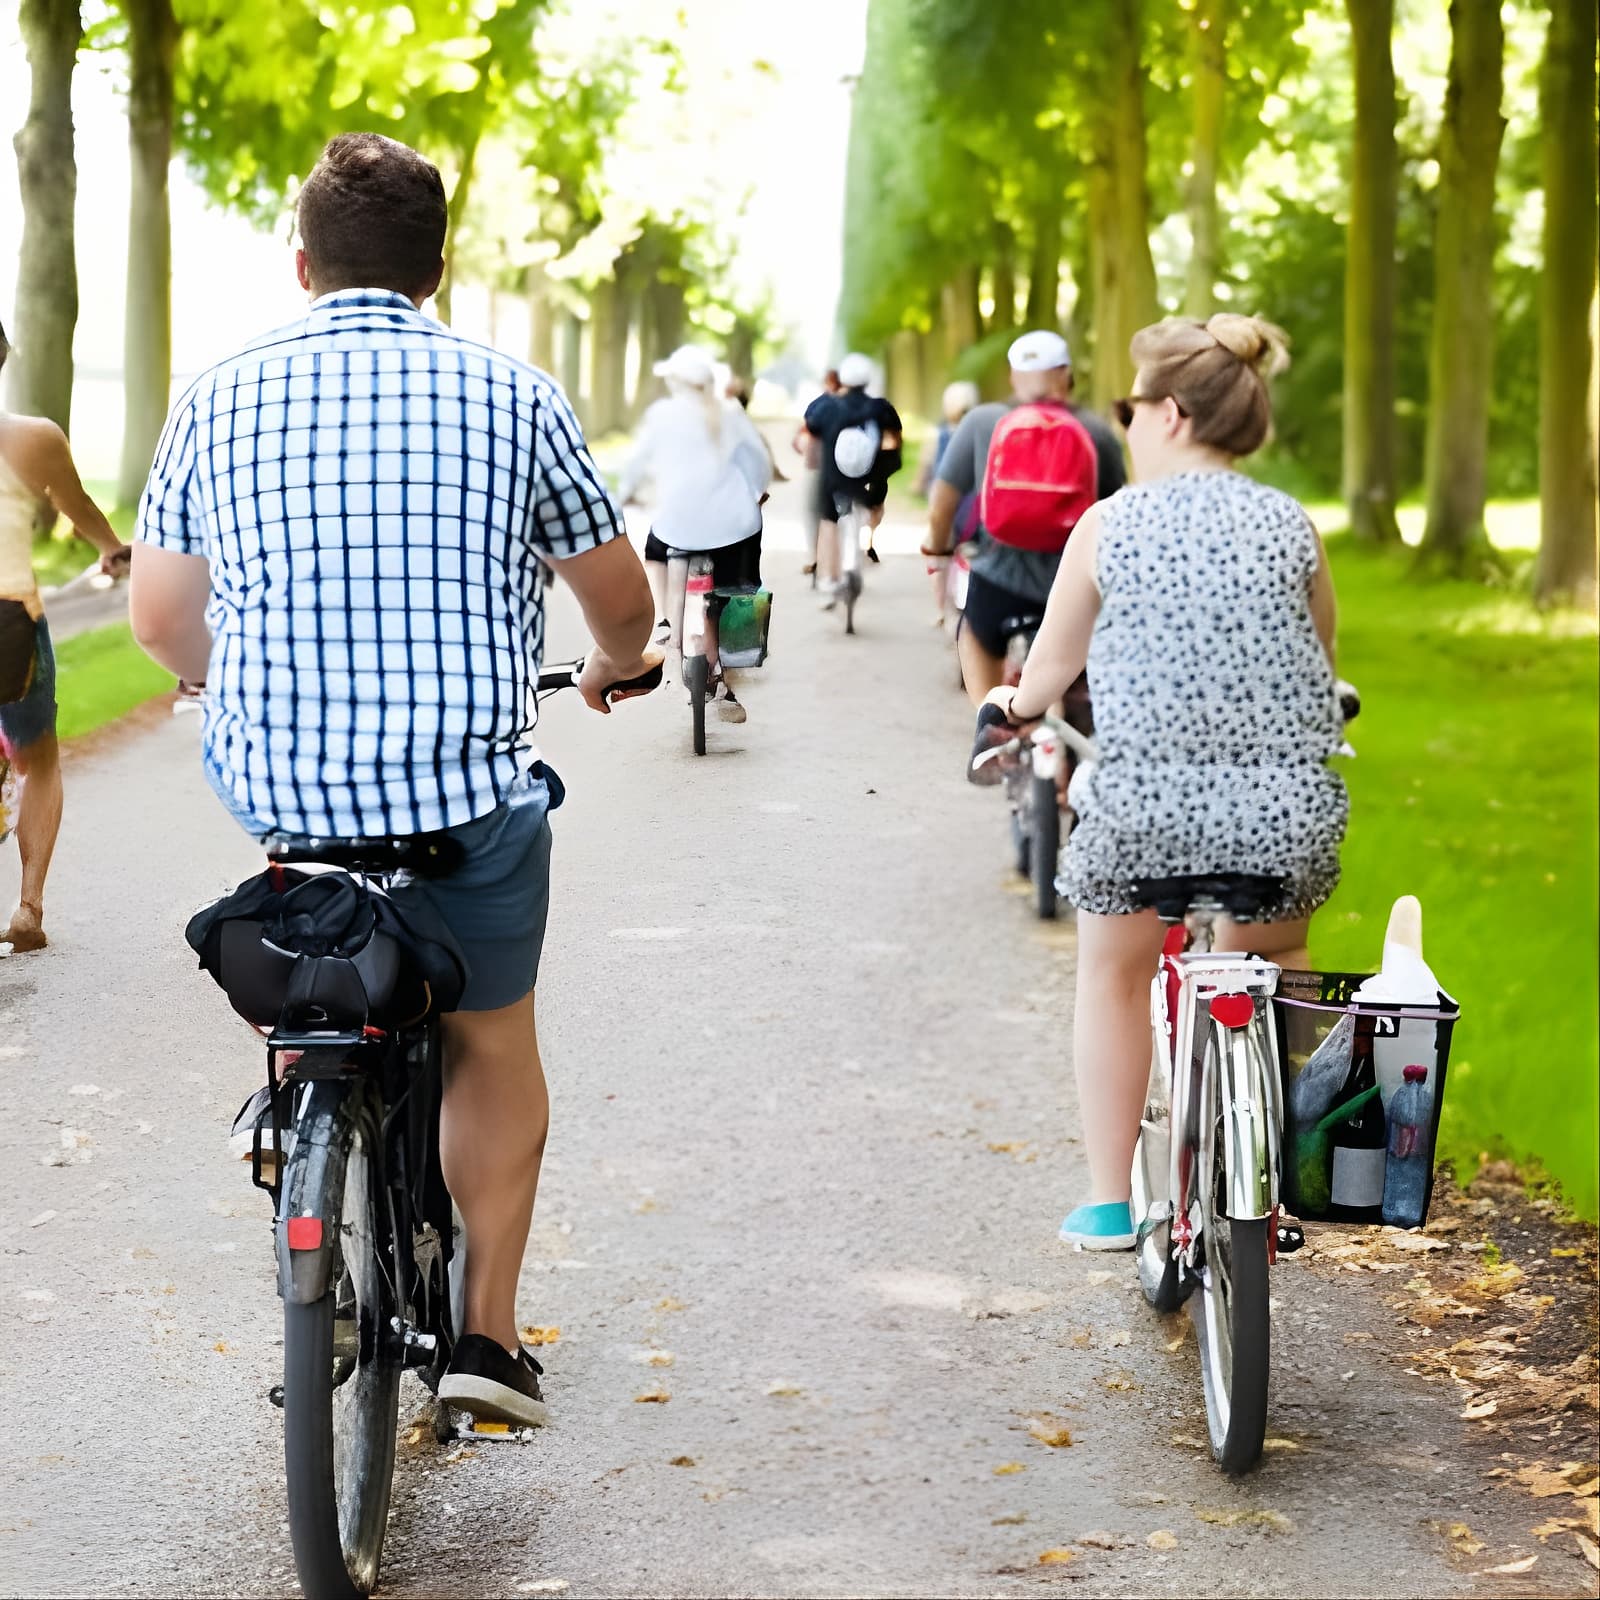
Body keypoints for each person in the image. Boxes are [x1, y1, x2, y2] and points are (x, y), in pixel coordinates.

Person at [128, 133, 660, 1426]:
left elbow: (157, 618)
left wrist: (216, 676)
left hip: (287, 793)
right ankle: (485, 1339)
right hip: (460, 805)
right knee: (490, 1039)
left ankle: (315, 1135)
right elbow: (620, 601)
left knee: (317, 961)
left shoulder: (219, 392)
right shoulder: (514, 393)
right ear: (440, 268)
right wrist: (615, 663)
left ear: (302, 261)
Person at [982, 314, 1345, 1250]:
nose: (1127, 425)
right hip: (1281, 819)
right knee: (1280, 962)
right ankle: (1277, 1180)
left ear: (1173, 414)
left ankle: (1110, 1201)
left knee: (1113, 971)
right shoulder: (1292, 522)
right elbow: (1319, 655)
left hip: (1147, 817)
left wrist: (1011, 706)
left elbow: (1049, 678)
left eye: (1130, 409)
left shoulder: (1108, 525)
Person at [0, 317, 130, 953]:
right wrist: (112, 549)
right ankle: (27, 907)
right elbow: (80, 509)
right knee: (40, 758)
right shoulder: (31, 439)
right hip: (9, 621)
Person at [924, 332, 1124, 706]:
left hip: (997, 584)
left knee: (973, 634)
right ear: (1065, 374)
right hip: (1073, 590)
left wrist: (937, 548)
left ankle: (989, 726)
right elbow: (1119, 515)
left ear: (1014, 376)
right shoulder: (1097, 432)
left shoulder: (981, 422)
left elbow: (942, 502)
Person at [620, 345, 771, 725]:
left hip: (678, 526)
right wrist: (756, 492)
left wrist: (624, 494)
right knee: (724, 591)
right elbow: (758, 463)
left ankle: (668, 623)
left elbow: (636, 464)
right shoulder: (730, 415)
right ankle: (719, 670)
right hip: (735, 528)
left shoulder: (662, 415)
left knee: (655, 548)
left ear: (674, 382)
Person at [801, 352, 903, 606]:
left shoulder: (826, 407)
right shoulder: (881, 409)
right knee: (873, 502)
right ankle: (865, 544)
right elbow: (894, 442)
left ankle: (828, 577)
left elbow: (810, 431)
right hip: (869, 480)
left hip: (833, 479)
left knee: (828, 521)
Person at [792, 367, 841, 578]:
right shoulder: (854, 405)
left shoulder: (818, 405)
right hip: (845, 468)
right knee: (838, 515)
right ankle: (835, 560)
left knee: (813, 513)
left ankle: (815, 557)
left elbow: (799, 438)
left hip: (816, 466)